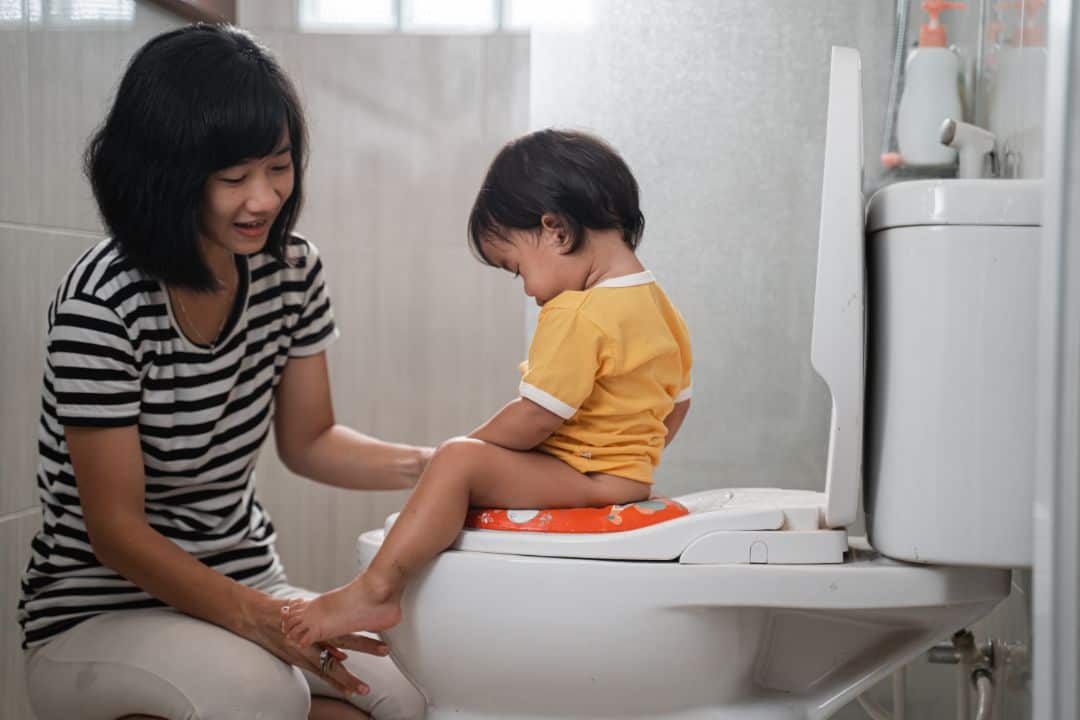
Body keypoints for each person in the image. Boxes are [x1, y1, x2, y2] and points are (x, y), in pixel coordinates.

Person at [18, 24, 429, 720]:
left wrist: (446, 465)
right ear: (168, 175)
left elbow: (310, 441)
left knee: (409, 690)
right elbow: (114, 532)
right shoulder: (103, 300)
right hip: (95, 613)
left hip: (246, 580)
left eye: (278, 165)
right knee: (259, 693)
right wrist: (262, 620)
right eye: (233, 177)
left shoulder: (291, 270)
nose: (264, 198)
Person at [282, 128, 693, 647]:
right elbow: (675, 406)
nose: (527, 289)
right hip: (628, 481)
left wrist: (468, 452)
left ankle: (376, 590)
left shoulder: (579, 312)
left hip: (588, 477)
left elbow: (537, 416)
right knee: (465, 467)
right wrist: (632, 464)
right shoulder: (660, 306)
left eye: (516, 267)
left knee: (458, 459)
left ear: (556, 231)